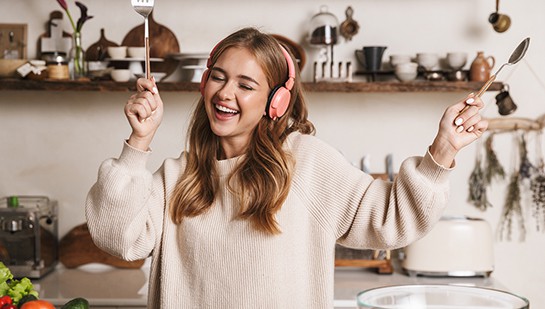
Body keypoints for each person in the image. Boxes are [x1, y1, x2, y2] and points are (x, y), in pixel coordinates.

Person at [85, 27, 487, 308]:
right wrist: (138, 143)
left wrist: (442, 152)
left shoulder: (307, 163)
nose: (225, 94)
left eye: (246, 85)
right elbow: (117, 237)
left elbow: (392, 219)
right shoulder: (178, 176)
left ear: (276, 102)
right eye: (219, 78)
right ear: (203, 83)